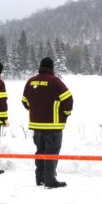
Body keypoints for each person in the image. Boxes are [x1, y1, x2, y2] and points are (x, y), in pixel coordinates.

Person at [21, 57, 72, 189]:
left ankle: (40, 179)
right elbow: (68, 99)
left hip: (36, 125)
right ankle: (50, 180)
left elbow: (24, 101)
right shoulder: (55, 81)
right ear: (52, 68)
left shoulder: (31, 81)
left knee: (40, 151)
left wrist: (34, 109)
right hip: (53, 125)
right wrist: (66, 113)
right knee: (52, 152)